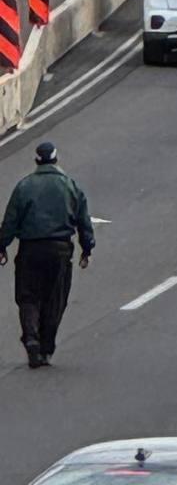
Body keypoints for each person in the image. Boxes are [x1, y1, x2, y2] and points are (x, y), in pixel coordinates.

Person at [0, 142, 94, 367]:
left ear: (36, 161)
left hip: (30, 250)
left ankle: (31, 337)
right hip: (60, 250)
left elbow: (11, 221)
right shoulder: (70, 186)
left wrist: (1, 246)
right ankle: (46, 347)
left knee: (28, 297)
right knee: (55, 299)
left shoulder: (24, 186)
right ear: (55, 160)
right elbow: (83, 221)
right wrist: (86, 248)